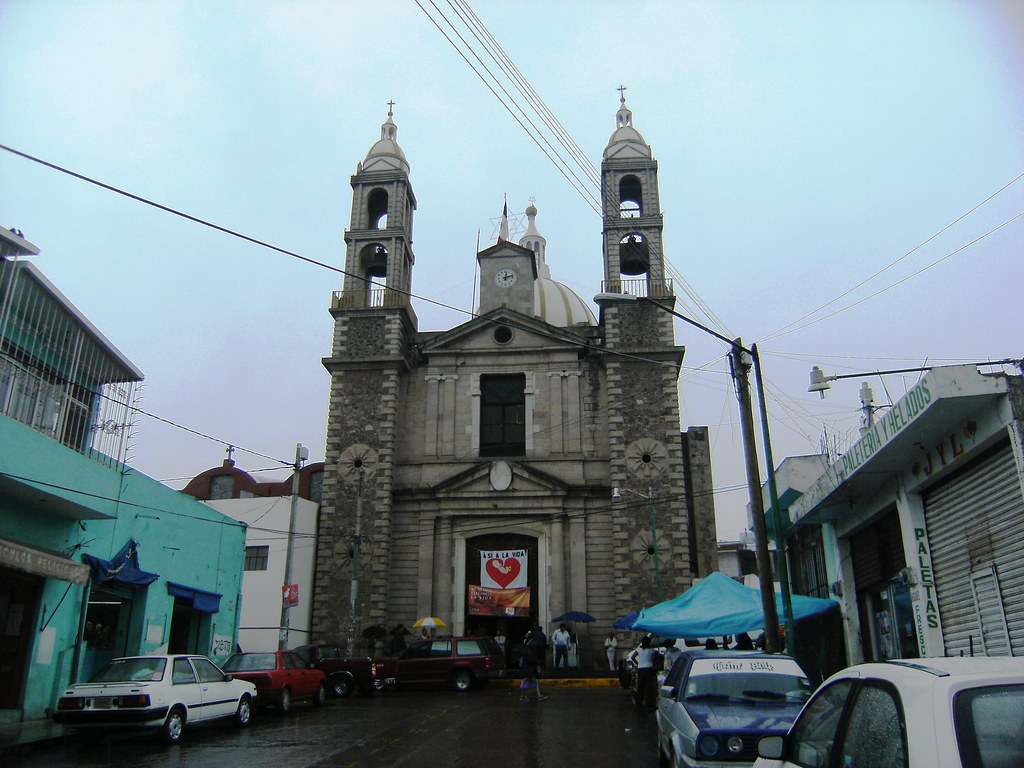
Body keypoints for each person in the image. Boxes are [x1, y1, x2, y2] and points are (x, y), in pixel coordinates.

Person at [519, 630, 547, 702]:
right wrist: (537, 662)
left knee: (534, 681)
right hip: (529, 667)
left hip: (530, 666)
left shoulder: (529, 643)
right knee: (526, 680)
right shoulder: (531, 644)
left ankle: (538, 695)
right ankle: (523, 696)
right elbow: (531, 656)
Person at [633, 635, 660, 709]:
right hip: (649, 669)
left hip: (640, 669)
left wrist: (638, 663)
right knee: (649, 686)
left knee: (640, 686)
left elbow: (633, 657)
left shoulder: (639, 649)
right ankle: (649, 703)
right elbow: (656, 658)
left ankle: (639, 702)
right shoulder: (652, 650)